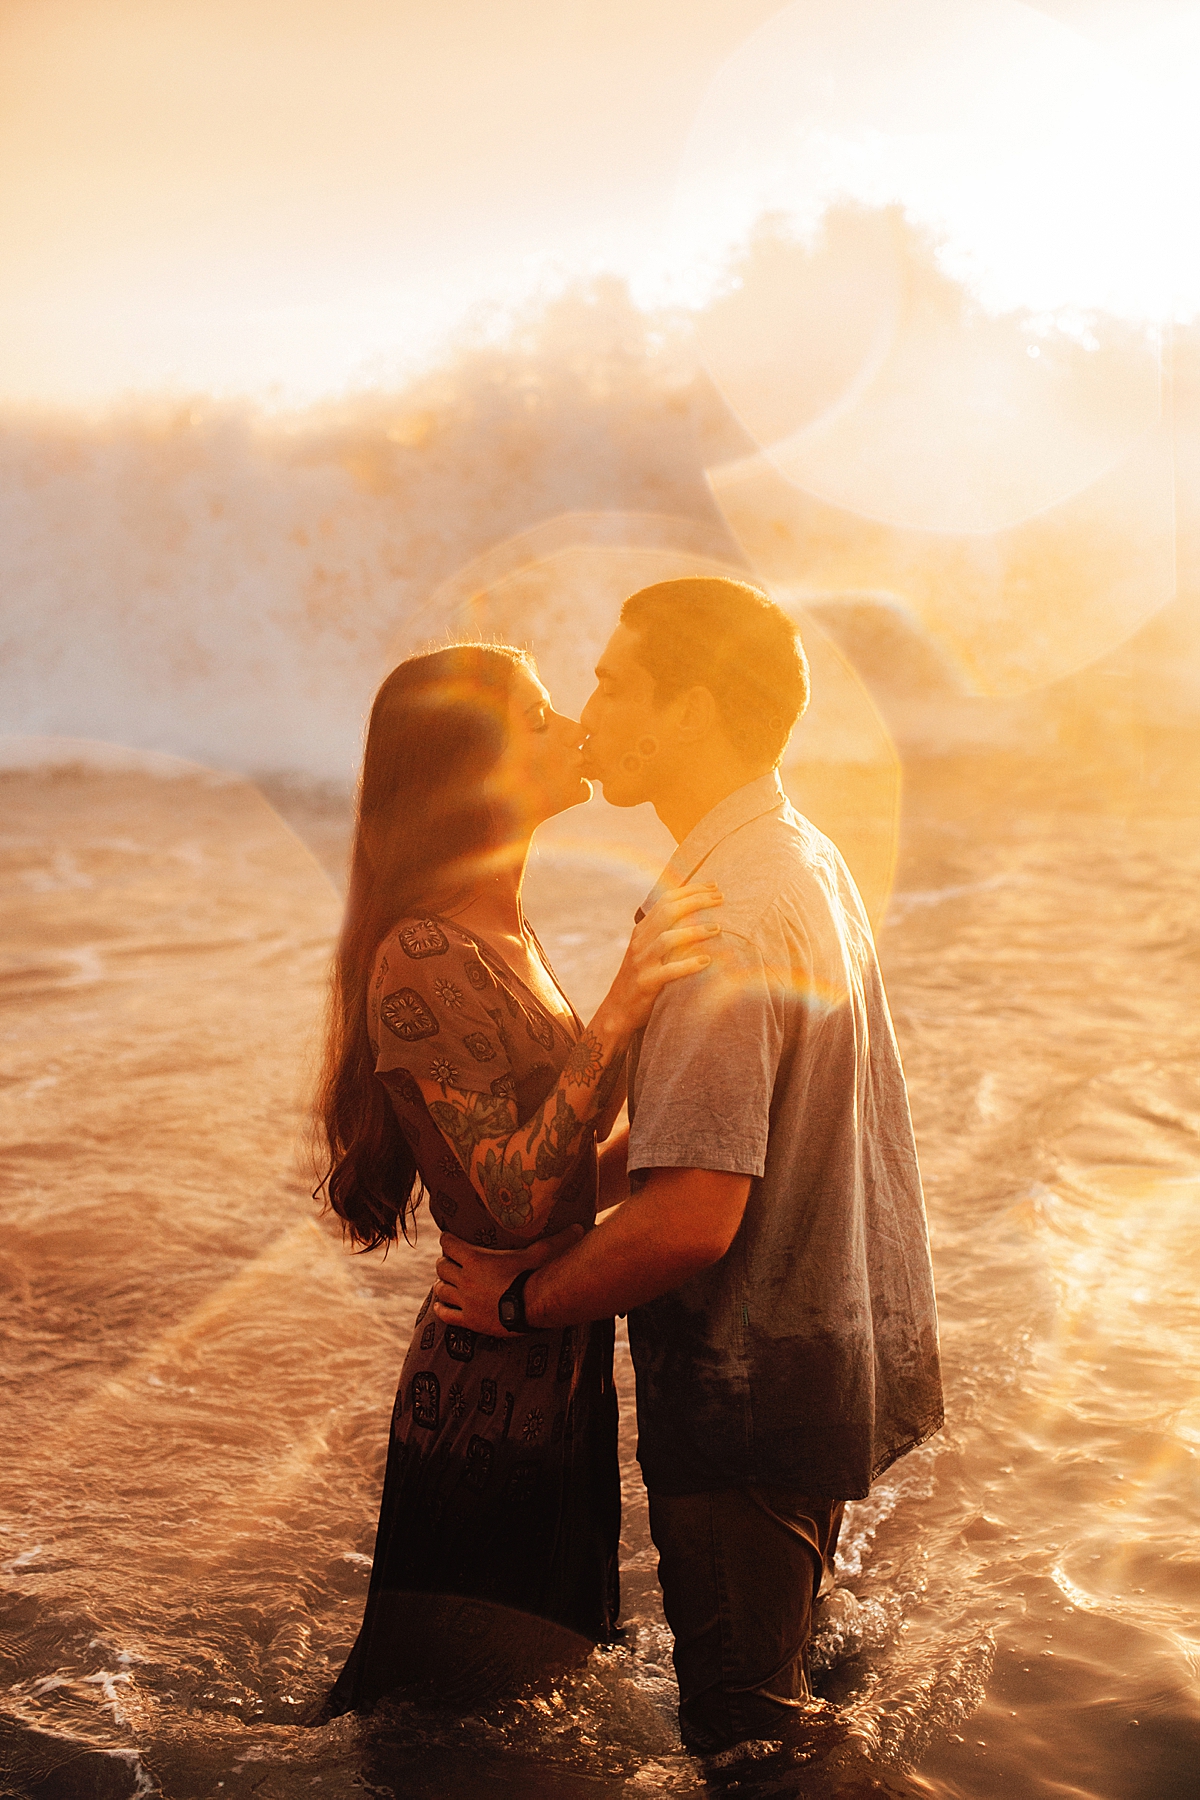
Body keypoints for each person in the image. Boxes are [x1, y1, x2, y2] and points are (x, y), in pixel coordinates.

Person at [433, 578, 944, 1758]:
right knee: (781, 1694)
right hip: (829, 1349)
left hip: (751, 1389)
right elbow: (711, 1139)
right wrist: (566, 1200)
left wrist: (518, 1300)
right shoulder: (794, 851)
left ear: (693, 711)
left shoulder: (725, 910)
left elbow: (693, 1221)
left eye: (615, 683)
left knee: (743, 1739)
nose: (592, 707)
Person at [313, 642, 718, 1717]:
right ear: (477, 766)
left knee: (530, 1716)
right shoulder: (424, 953)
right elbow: (507, 1200)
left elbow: (562, 1167)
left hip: (548, 1377)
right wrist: (626, 1004)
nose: (574, 724)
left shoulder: (502, 930)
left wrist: (706, 1155)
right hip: (485, 1407)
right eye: (540, 715)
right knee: (450, 1733)